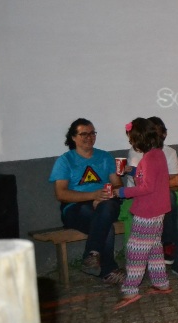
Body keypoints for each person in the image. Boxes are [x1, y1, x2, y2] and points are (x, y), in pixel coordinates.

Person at [48, 118, 125, 285]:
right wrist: (92, 196)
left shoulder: (105, 157)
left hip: (105, 203)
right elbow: (61, 194)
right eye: (84, 134)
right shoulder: (65, 160)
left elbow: (118, 184)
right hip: (75, 208)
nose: (89, 137)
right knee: (105, 225)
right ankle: (108, 270)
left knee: (106, 209)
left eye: (92, 133)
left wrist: (105, 195)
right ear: (73, 137)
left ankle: (92, 254)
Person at [125, 117, 178, 278]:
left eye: (160, 133)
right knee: (169, 200)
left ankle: (168, 253)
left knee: (169, 198)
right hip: (139, 197)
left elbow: (173, 185)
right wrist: (168, 181)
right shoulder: (137, 151)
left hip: (156, 197)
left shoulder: (166, 153)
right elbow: (142, 184)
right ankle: (174, 254)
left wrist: (167, 182)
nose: (157, 137)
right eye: (153, 133)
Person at [113, 118, 172, 310]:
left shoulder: (150, 158)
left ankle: (130, 290)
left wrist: (122, 192)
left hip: (148, 210)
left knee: (136, 250)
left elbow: (147, 186)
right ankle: (161, 283)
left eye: (132, 139)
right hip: (157, 209)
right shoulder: (156, 154)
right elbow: (149, 177)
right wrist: (132, 171)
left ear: (140, 138)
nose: (131, 142)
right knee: (154, 247)